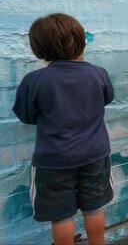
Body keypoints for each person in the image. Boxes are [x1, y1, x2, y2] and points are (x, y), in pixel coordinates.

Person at [13, 13, 114, 245]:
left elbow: (26, 115)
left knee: (60, 217)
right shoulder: (98, 73)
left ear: (40, 49)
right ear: (80, 41)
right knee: (94, 209)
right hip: (95, 155)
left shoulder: (34, 80)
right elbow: (106, 98)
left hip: (53, 160)